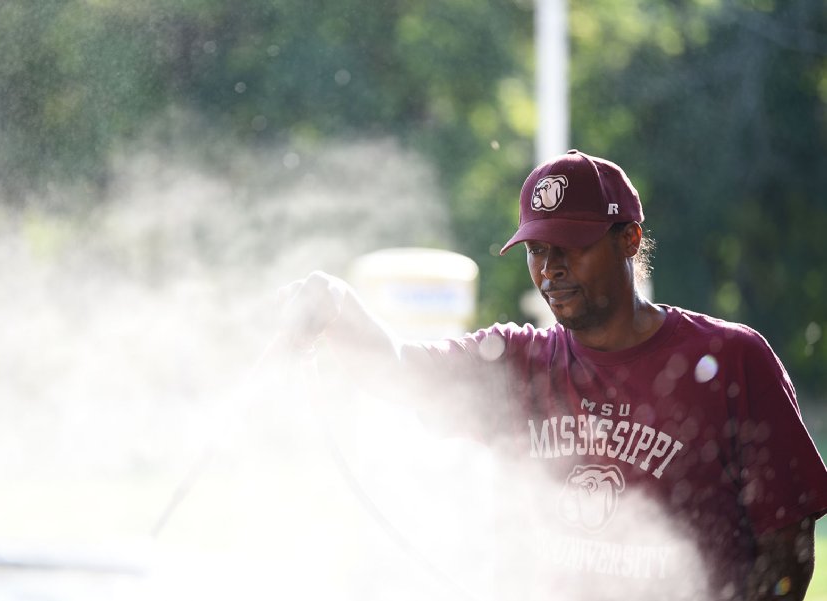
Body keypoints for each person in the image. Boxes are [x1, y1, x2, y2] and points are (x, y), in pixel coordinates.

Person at [279, 149, 827, 600]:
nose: (550, 269)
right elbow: (397, 368)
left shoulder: (731, 360)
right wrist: (336, 304)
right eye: (537, 250)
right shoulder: (518, 362)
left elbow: (789, 549)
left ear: (629, 240)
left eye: (571, 247)